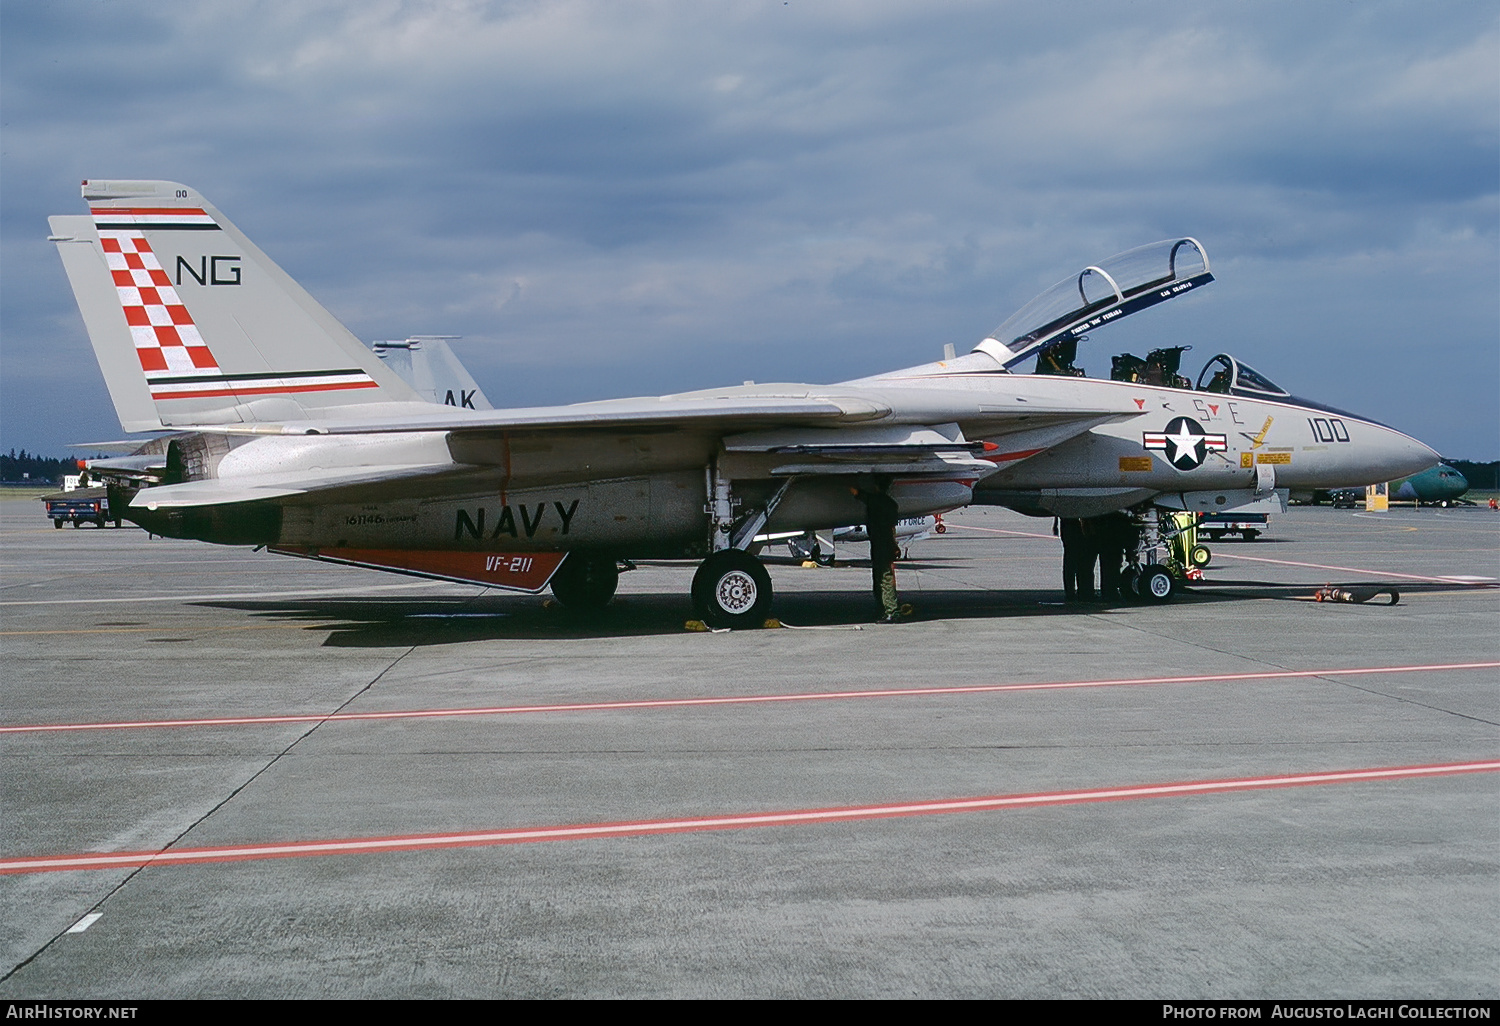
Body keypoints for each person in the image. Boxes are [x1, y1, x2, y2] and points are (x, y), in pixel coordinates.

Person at [855, 483, 903, 622]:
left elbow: (856, 492)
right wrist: (895, 546)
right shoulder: (891, 503)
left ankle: (890, 611)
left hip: (879, 543)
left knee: (883, 578)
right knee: (884, 576)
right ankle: (885, 609)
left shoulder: (874, 500)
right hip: (887, 542)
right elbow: (892, 528)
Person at [1058, 517, 1096, 601]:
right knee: (1080, 562)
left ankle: (1074, 592)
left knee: (1072, 562)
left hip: (1070, 525)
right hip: (1075, 526)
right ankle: (1083, 592)